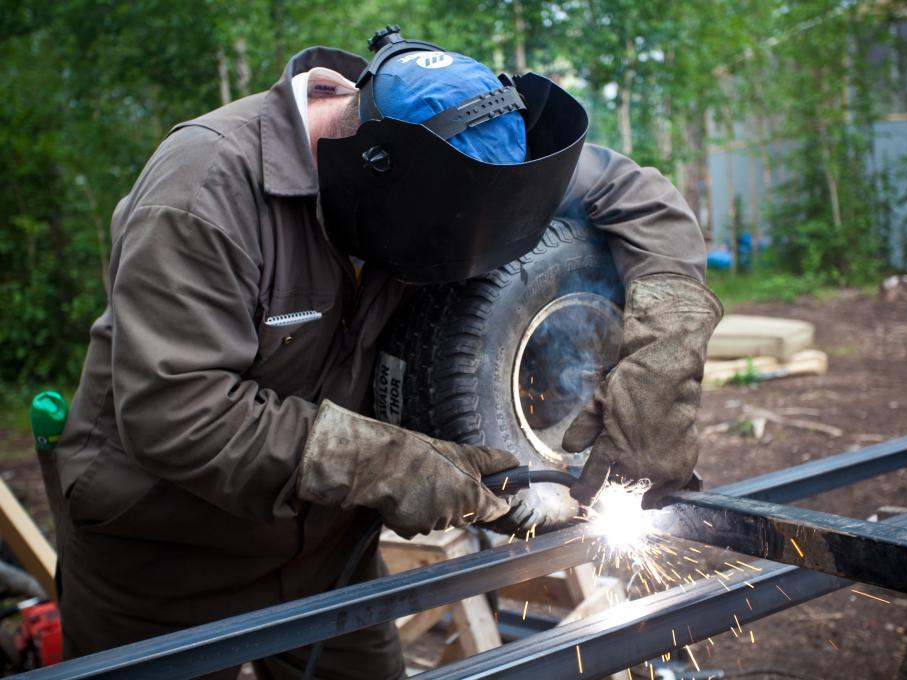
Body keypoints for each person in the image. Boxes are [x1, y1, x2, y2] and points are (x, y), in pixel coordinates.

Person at [52, 26, 721, 678]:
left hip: (327, 560)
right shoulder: (204, 189)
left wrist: (663, 362)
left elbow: (640, 197)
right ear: (376, 170)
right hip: (163, 562)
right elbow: (177, 411)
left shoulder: (461, 142)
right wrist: (397, 466)